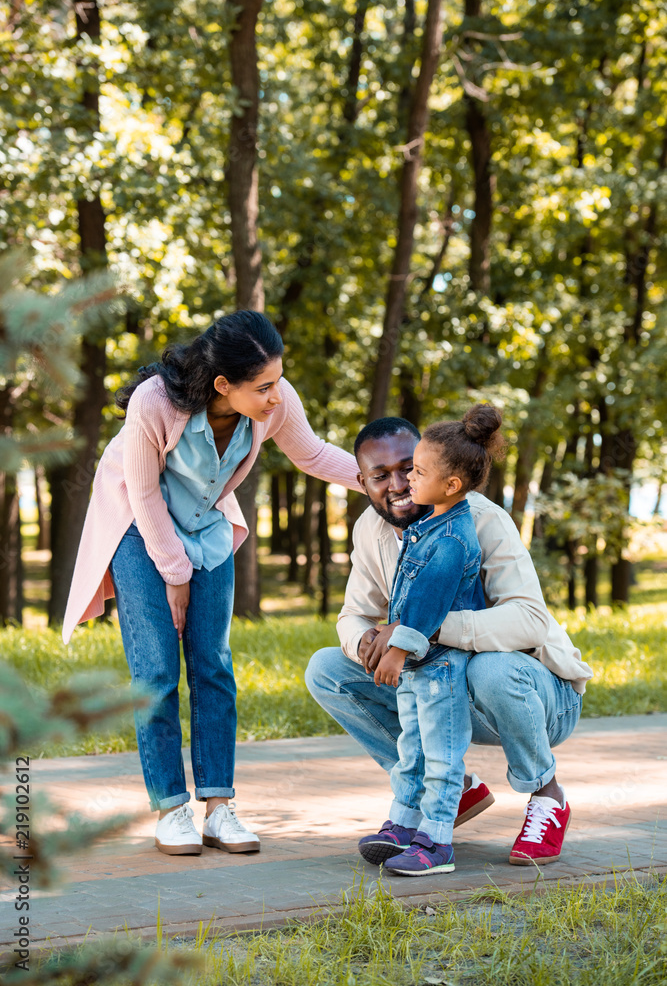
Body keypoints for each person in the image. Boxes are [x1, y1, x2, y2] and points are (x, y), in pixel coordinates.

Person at [63, 310, 360, 858]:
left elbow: (313, 454)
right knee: (155, 668)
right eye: (264, 387)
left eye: (277, 381)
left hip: (205, 523)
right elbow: (145, 494)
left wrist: (390, 480)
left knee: (213, 664)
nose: (277, 396)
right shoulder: (153, 403)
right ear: (224, 385)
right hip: (138, 522)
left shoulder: (273, 399)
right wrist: (174, 574)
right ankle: (172, 808)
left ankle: (219, 808)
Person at [305, 416, 593, 867]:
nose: (400, 484)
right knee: (326, 669)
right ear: (362, 482)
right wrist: (362, 641)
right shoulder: (370, 530)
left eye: (410, 468)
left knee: (490, 667)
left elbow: (531, 620)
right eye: (381, 476)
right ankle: (447, 791)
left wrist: (422, 629)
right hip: (441, 687)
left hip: (536, 697)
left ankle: (547, 795)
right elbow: (354, 614)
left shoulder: (479, 520)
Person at [358, 406, 504, 876]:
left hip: (440, 668)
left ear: (451, 486)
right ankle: (402, 824)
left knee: (441, 756)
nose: (405, 483)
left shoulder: (453, 539)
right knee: (411, 750)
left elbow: (429, 604)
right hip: (423, 668)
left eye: (417, 472)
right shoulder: (428, 527)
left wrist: (398, 648)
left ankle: (437, 841)